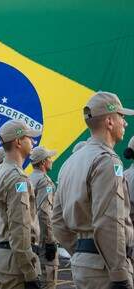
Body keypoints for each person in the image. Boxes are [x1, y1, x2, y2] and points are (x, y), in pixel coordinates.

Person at [52, 91, 134, 289]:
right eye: (121, 117)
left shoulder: (70, 162)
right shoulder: (107, 161)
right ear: (109, 121)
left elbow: (57, 221)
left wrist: (81, 253)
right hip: (106, 270)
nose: (125, 123)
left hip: (85, 264)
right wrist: (119, 274)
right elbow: (110, 222)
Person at [0, 119, 41, 289]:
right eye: (29, 138)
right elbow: (20, 228)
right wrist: (30, 272)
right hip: (17, 266)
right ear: (18, 142)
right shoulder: (17, 177)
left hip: (0, 260)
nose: (33, 142)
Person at [30, 146, 58, 289]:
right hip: (42, 241)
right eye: (49, 158)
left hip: (32, 240)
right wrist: (50, 241)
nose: (51, 161)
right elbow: (44, 213)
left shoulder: (29, 178)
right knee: (48, 281)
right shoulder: (44, 181)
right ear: (42, 163)